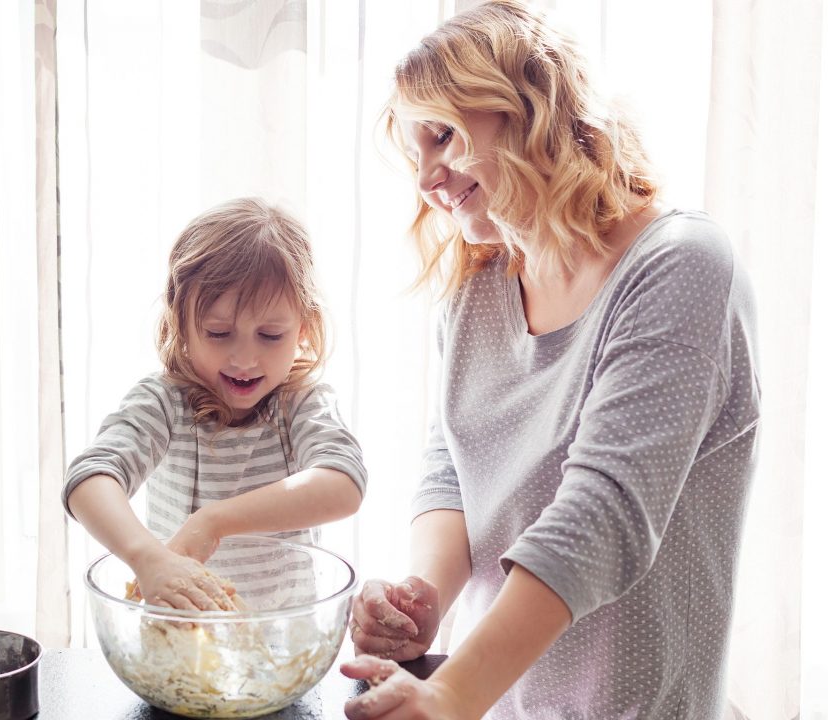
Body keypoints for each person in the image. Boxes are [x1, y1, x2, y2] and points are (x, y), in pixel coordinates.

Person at [340, 2, 760, 718]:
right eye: (417, 155)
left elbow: (603, 513)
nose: (428, 179)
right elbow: (452, 468)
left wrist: (450, 693)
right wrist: (424, 598)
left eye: (442, 136)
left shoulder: (680, 266)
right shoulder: (476, 292)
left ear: (528, 105)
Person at [63, 197, 367, 612]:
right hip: (183, 641)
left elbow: (343, 485)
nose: (244, 359)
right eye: (219, 333)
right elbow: (89, 478)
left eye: (271, 335)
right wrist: (147, 558)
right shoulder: (164, 403)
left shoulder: (303, 405)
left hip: (280, 646)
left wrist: (214, 520)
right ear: (180, 325)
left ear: (305, 329)